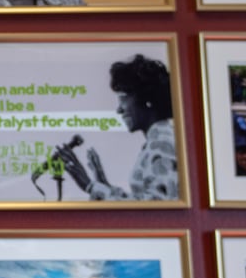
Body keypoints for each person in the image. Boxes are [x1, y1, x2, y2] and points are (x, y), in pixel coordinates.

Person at [56, 54, 179, 201]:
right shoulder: (158, 140)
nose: (119, 110)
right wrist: (103, 183)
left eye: (123, 98)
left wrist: (90, 186)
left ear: (146, 98)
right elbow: (141, 201)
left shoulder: (162, 144)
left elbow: (156, 209)